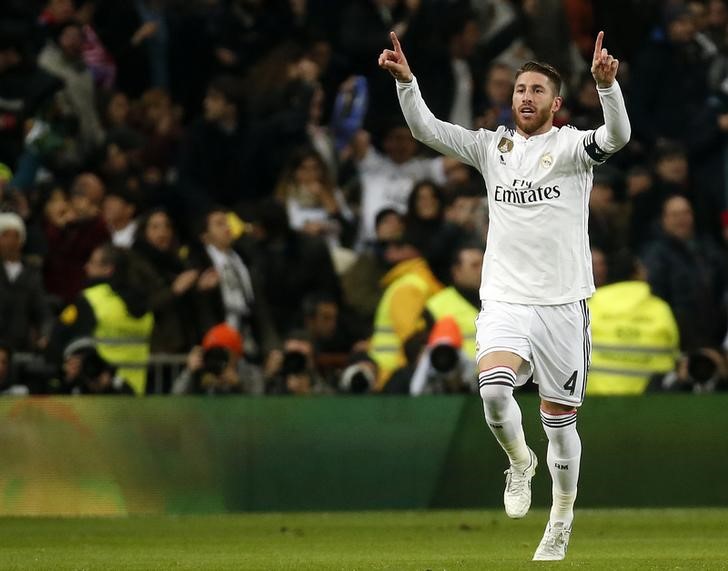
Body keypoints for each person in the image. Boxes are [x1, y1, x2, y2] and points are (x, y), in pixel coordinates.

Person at [379, 30, 630, 560]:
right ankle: (520, 462)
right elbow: (428, 130)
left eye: (537, 90)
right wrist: (407, 82)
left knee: (560, 425)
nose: (526, 97)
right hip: (506, 301)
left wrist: (608, 89)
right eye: (520, 89)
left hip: (563, 306)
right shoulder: (492, 147)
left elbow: (617, 137)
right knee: (494, 393)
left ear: (555, 103)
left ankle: (561, 516)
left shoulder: (570, 148)